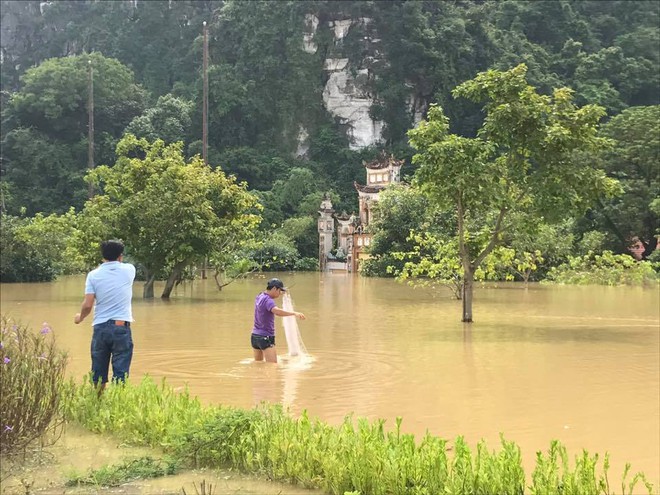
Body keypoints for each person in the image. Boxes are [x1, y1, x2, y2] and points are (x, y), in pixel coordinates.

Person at [74, 240, 136, 393]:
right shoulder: (129, 270)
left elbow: (88, 305)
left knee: (98, 371)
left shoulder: (93, 275)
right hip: (121, 327)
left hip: (100, 327)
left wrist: (80, 317)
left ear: (102, 256)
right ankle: (118, 403)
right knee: (120, 372)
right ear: (120, 256)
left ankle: (97, 400)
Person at [251, 278, 305, 363]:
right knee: (272, 366)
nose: (280, 294)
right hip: (266, 337)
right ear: (274, 289)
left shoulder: (259, 296)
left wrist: (283, 292)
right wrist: (294, 313)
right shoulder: (269, 301)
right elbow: (277, 312)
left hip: (255, 337)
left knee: (258, 363)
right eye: (279, 291)